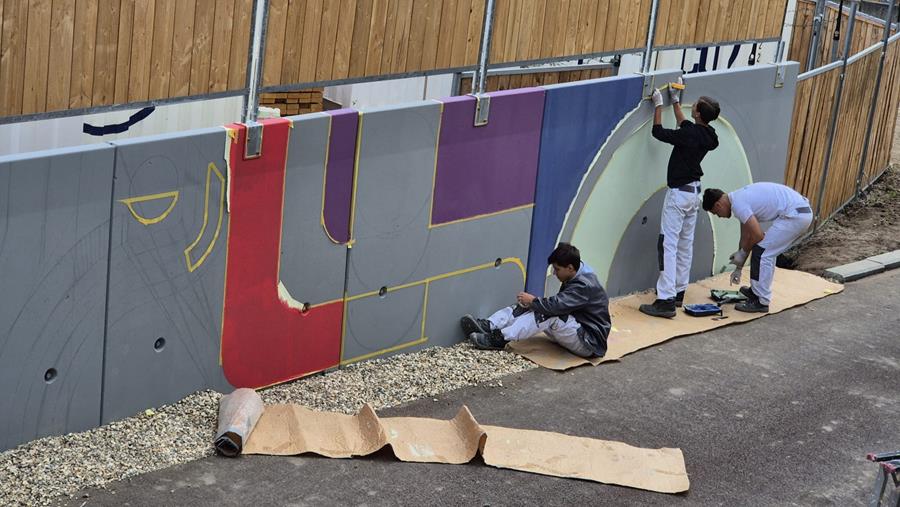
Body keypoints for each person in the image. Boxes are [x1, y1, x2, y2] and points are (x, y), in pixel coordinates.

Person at [640, 78, 721, 319]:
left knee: (668, 245)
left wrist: (658, 105)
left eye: (693, 105)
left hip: (678, 196)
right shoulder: (709, 135)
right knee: (685, 246)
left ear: (697, 112)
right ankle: (677, 292)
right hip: (694, 195)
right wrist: (675, 103)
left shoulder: (689, 135)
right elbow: (686, 124)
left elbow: (657, 132)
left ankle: (664, 300)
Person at [462, 243, 611, 358]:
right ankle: (489, 325)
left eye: (557, 269)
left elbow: (556, 307)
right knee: (532, 305)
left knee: (546, 312)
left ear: (570, 267)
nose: (554, 273)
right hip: (576, 329)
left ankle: (499, 339)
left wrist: (533, 301)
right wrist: (532, 303)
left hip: (588, 343)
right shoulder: (576, 271)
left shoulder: (584, 285)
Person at [702, 183, 813, 313]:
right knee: (766, 251)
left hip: (795, 216)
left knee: (762, 252)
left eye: (716, 213)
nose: (719, 216)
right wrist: (738, 268)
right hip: (799, 213)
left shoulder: (739, 205)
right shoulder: (738, 199)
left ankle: (761, 301)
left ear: (718, 205)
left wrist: (742, 253)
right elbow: (745, 237)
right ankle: (757, 292)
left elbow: (757, 236)